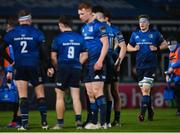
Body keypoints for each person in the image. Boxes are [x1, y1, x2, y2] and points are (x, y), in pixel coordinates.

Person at [2, 9, 54, 130]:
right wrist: (49, 66)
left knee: (23, 97)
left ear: (19, 20)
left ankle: (24, 124)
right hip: (35, 66)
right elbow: (44, 52)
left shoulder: (12, 33)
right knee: (41, 96)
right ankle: (44, 123)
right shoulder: (36, 32)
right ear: (29, 19)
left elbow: (1, 49)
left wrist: (11, 61)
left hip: (20, 67)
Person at [48, 16, 88, 129]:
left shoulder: (58, 38)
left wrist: (57, 67)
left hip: (63, 68)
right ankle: (79, 122)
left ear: (61, 25)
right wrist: (77, 64)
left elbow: (53, 57)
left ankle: (60, 123)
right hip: (76, 69)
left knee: (60, 96)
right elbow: (85, 55)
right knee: (76, 96)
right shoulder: (80, 38)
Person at [127, 14, 168, 121]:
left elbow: (166, 44)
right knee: (145, 92)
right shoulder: (135, 34)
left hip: (151, 66)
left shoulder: (155, 34)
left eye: (144, 21)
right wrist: (134, 49)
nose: (142, 24)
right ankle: (150, 111)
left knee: (145, 90)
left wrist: (157, 48)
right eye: (140, 22)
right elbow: (128, 47)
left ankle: (141, 114)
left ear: (148, 23)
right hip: (140, 67)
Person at [92, 6, 126, 127]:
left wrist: (119, 62)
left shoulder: (112, 30)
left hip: (109, 62)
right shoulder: (102, 29)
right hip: (106, 62)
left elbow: (123, 47)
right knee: (109, 92)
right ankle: (108, 121)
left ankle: (110, 120)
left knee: (109, 92)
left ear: (105, 18)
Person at [78, 2, 109, 129]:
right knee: (90, 93)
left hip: (97, 63)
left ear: (89, 12)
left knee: (98, 91)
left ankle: (103, 123)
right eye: (79, 14)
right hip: (87, 64)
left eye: (82, 13)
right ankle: (94, 122)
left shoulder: (100, 26)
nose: (80, 16)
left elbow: (106, 44)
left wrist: (100, 61)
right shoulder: (83, 28)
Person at [4, 17, 21, 128]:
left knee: (18, 97)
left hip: (15, 71)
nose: (6, 30)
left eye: (8, 28)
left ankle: (18, 120)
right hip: (16, 69)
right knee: (18, 97)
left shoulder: (12, 40)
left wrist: (10, 70)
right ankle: (18, 120)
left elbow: (13, 57)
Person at [166, 37, 180, 116]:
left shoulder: (179, 50)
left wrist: (173, 67)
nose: (169, 47)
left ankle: (179, 110)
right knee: (176, 94)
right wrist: (168, 74)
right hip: (176, 76)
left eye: (170, 45)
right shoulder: (171, 53)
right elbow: (169, 65)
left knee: (178, 94)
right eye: (168, 45)